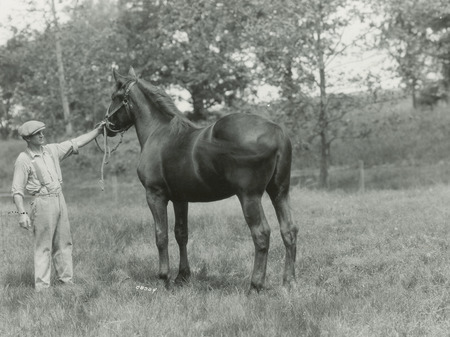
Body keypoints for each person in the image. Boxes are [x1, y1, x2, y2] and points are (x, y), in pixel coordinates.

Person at [11, 120, 105, 292]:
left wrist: (98, 131)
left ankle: (66, 283)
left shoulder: (51, 150)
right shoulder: (23, 160)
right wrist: (22, 214)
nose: (42, 135)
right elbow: (17, 191)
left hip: (59, 199)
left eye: (42, 132)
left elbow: (77, 142)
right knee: (43, 246)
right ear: (28, 138)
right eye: (37, 133)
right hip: (42, 202)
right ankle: (42, 289)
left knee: (64, 243)